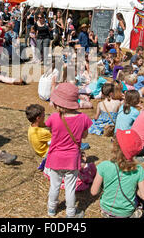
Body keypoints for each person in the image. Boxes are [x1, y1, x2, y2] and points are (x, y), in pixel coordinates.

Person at [45, 83, 92, 218]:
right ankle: (71, 213)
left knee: (54, 186)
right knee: (70, 188)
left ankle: (51, 209)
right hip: (72, 159)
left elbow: (50, 129)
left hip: (55, 157)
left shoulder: (53, 117)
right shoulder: (83, 118)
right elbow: (84, 135)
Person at [90, 129, 144, 218]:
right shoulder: (138, 170)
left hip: (106, 211)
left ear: (114, 147)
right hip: (127, 213)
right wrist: (134, 189)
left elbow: (93, 192)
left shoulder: (104, 166)